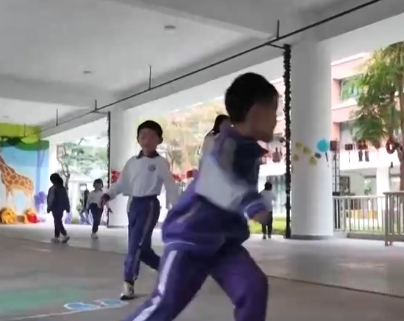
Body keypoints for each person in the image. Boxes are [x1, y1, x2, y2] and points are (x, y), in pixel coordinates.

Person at [121, 72, 276, 321]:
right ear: (256, 112)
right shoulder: (225, 144)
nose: (276, 120)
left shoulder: (249, 151)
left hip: (224, 242)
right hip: (191, 237)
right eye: (274, 112)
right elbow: (216, 177)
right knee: (164, 304)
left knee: (253, 287)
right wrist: (251, 203)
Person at [100, 120, 180, 300]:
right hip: (133, 205)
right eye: (143, 135)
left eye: (151, 135)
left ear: (159, 140)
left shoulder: (160, 162)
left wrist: (176, 208)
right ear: (137, 139)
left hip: (149, 205)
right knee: (143, 250)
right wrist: (108, 195)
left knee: (134, 246)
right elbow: (121, 184)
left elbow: (170, 185)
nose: (146, 139)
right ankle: (170, 271)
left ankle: (128, 282)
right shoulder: (132, 162)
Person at [47, 173, 71, 243]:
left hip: (55, 207)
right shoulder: (62, 188)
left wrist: (49, 207)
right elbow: (66, 198)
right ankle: (56, 237)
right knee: (57, 221)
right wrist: (67, 207)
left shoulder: (53, 188)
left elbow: (51, 199)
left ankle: (64, 234)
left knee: (57, 221)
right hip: (61, 207)